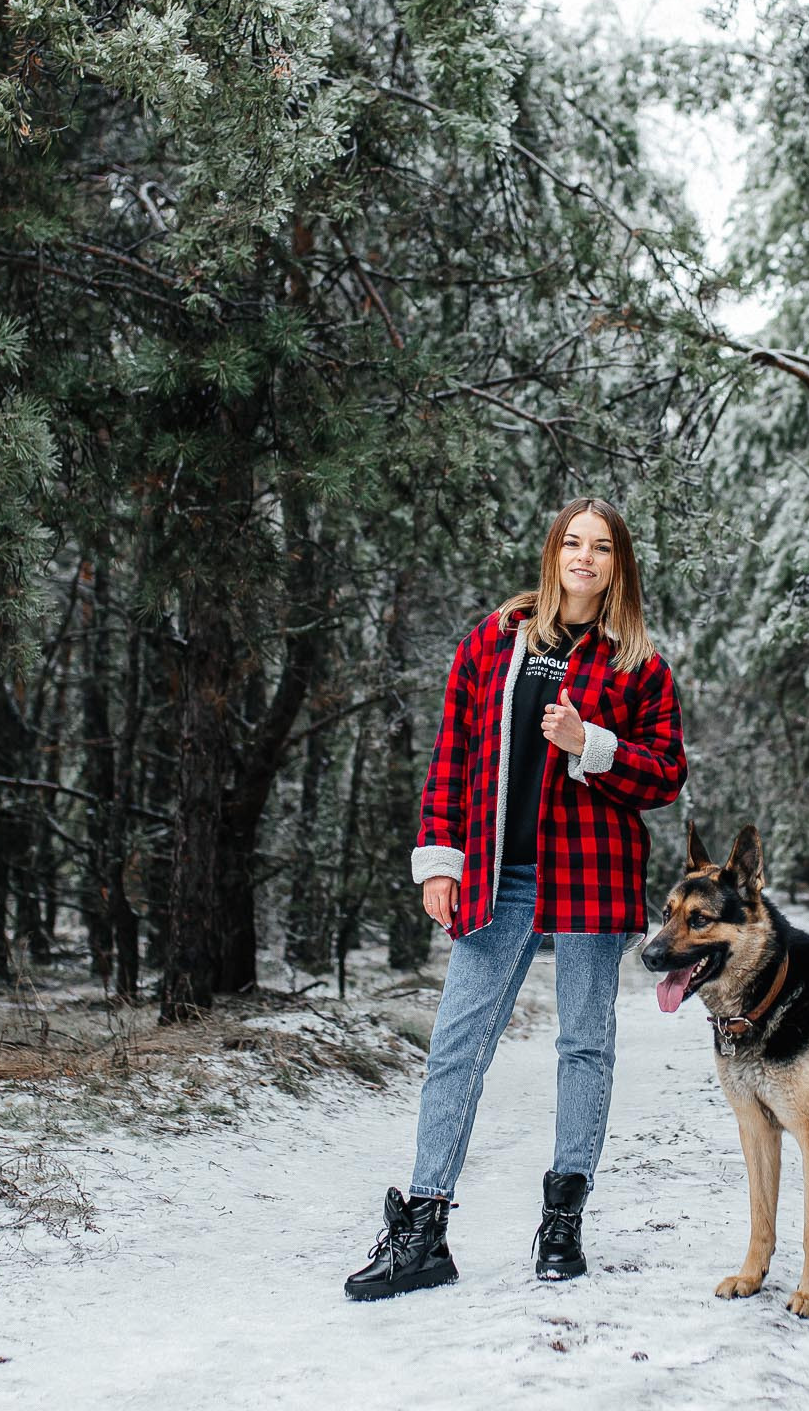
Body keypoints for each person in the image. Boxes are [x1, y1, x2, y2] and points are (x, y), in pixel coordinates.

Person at [344, 497, 687, 1300]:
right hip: (502, 875)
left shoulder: (637, 662)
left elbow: (666, 774)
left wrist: (589, 747)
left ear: (618, 564)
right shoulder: (495, 641)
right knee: (457, 1044)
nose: (585, 557)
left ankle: (562, 1221)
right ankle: (424, 1229)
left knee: (585, 1048)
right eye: (573, 542)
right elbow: (452, 755)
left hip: (593, 876)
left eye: (602, 547)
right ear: (553, 552)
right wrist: (441, 858)